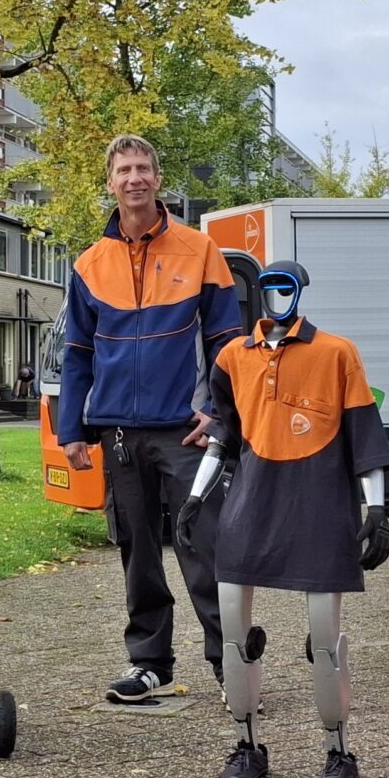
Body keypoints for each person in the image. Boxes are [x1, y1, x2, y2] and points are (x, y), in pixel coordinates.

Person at [174, 261, 389, 778]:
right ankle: (247, 744)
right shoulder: (232, 358)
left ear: (300, 291)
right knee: (232, 632)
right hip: (250, 509)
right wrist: (196, 498)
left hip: (320, 509)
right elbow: (224, 436)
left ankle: (339, 754)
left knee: (325, 639)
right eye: (268, 287)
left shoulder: (337, 353)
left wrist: (376, 510)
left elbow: (364, 435)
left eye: (285, 287)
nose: (275, 297)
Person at [55, 134, 244, 702]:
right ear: (110, 182)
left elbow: (226, 343)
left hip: (185, 430)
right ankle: (150, 663)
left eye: (143, 169)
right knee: (137, 549)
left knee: (203, 542)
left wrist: (216, 412)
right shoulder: (89, 264)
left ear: (158, 180)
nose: (134, 178)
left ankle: (227, 657)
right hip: (116, 431)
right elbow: (78, 353)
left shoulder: (200, 250)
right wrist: (72, 429)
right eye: (124, 170)